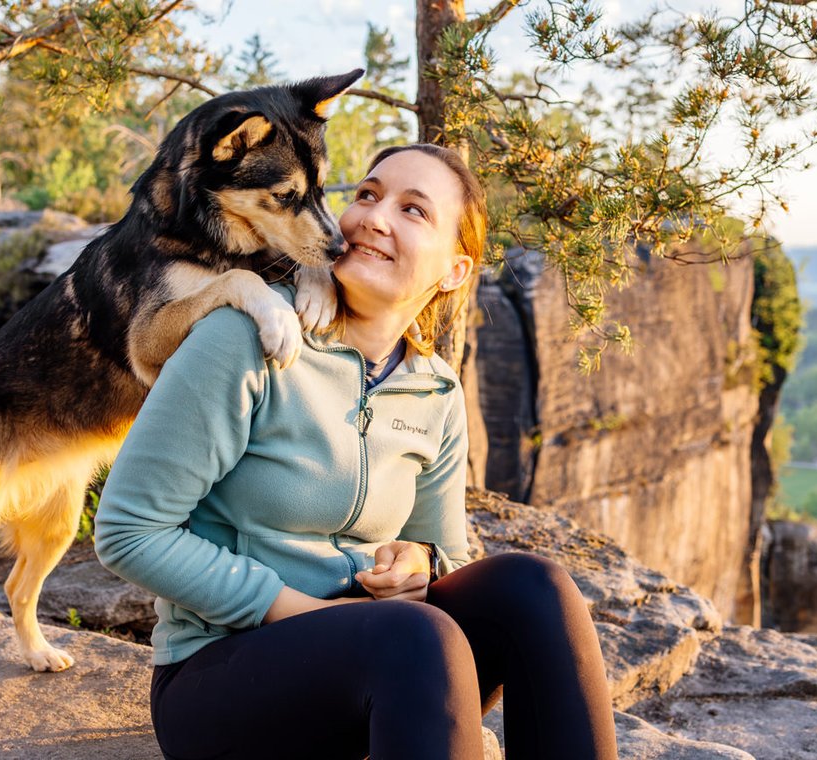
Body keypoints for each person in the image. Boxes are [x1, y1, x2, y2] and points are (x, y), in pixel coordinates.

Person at [96, 144, 618, 759]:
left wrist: (416, 565)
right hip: (224, 678)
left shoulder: (436, 390)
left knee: (534, 588)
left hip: (395, 668)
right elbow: (129, 530)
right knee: (414, 637)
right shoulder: (245, 338)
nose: (373, 215)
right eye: (367, 195)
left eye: (414, 210)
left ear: (455, 270)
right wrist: (297, 610)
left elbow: (443, 554)